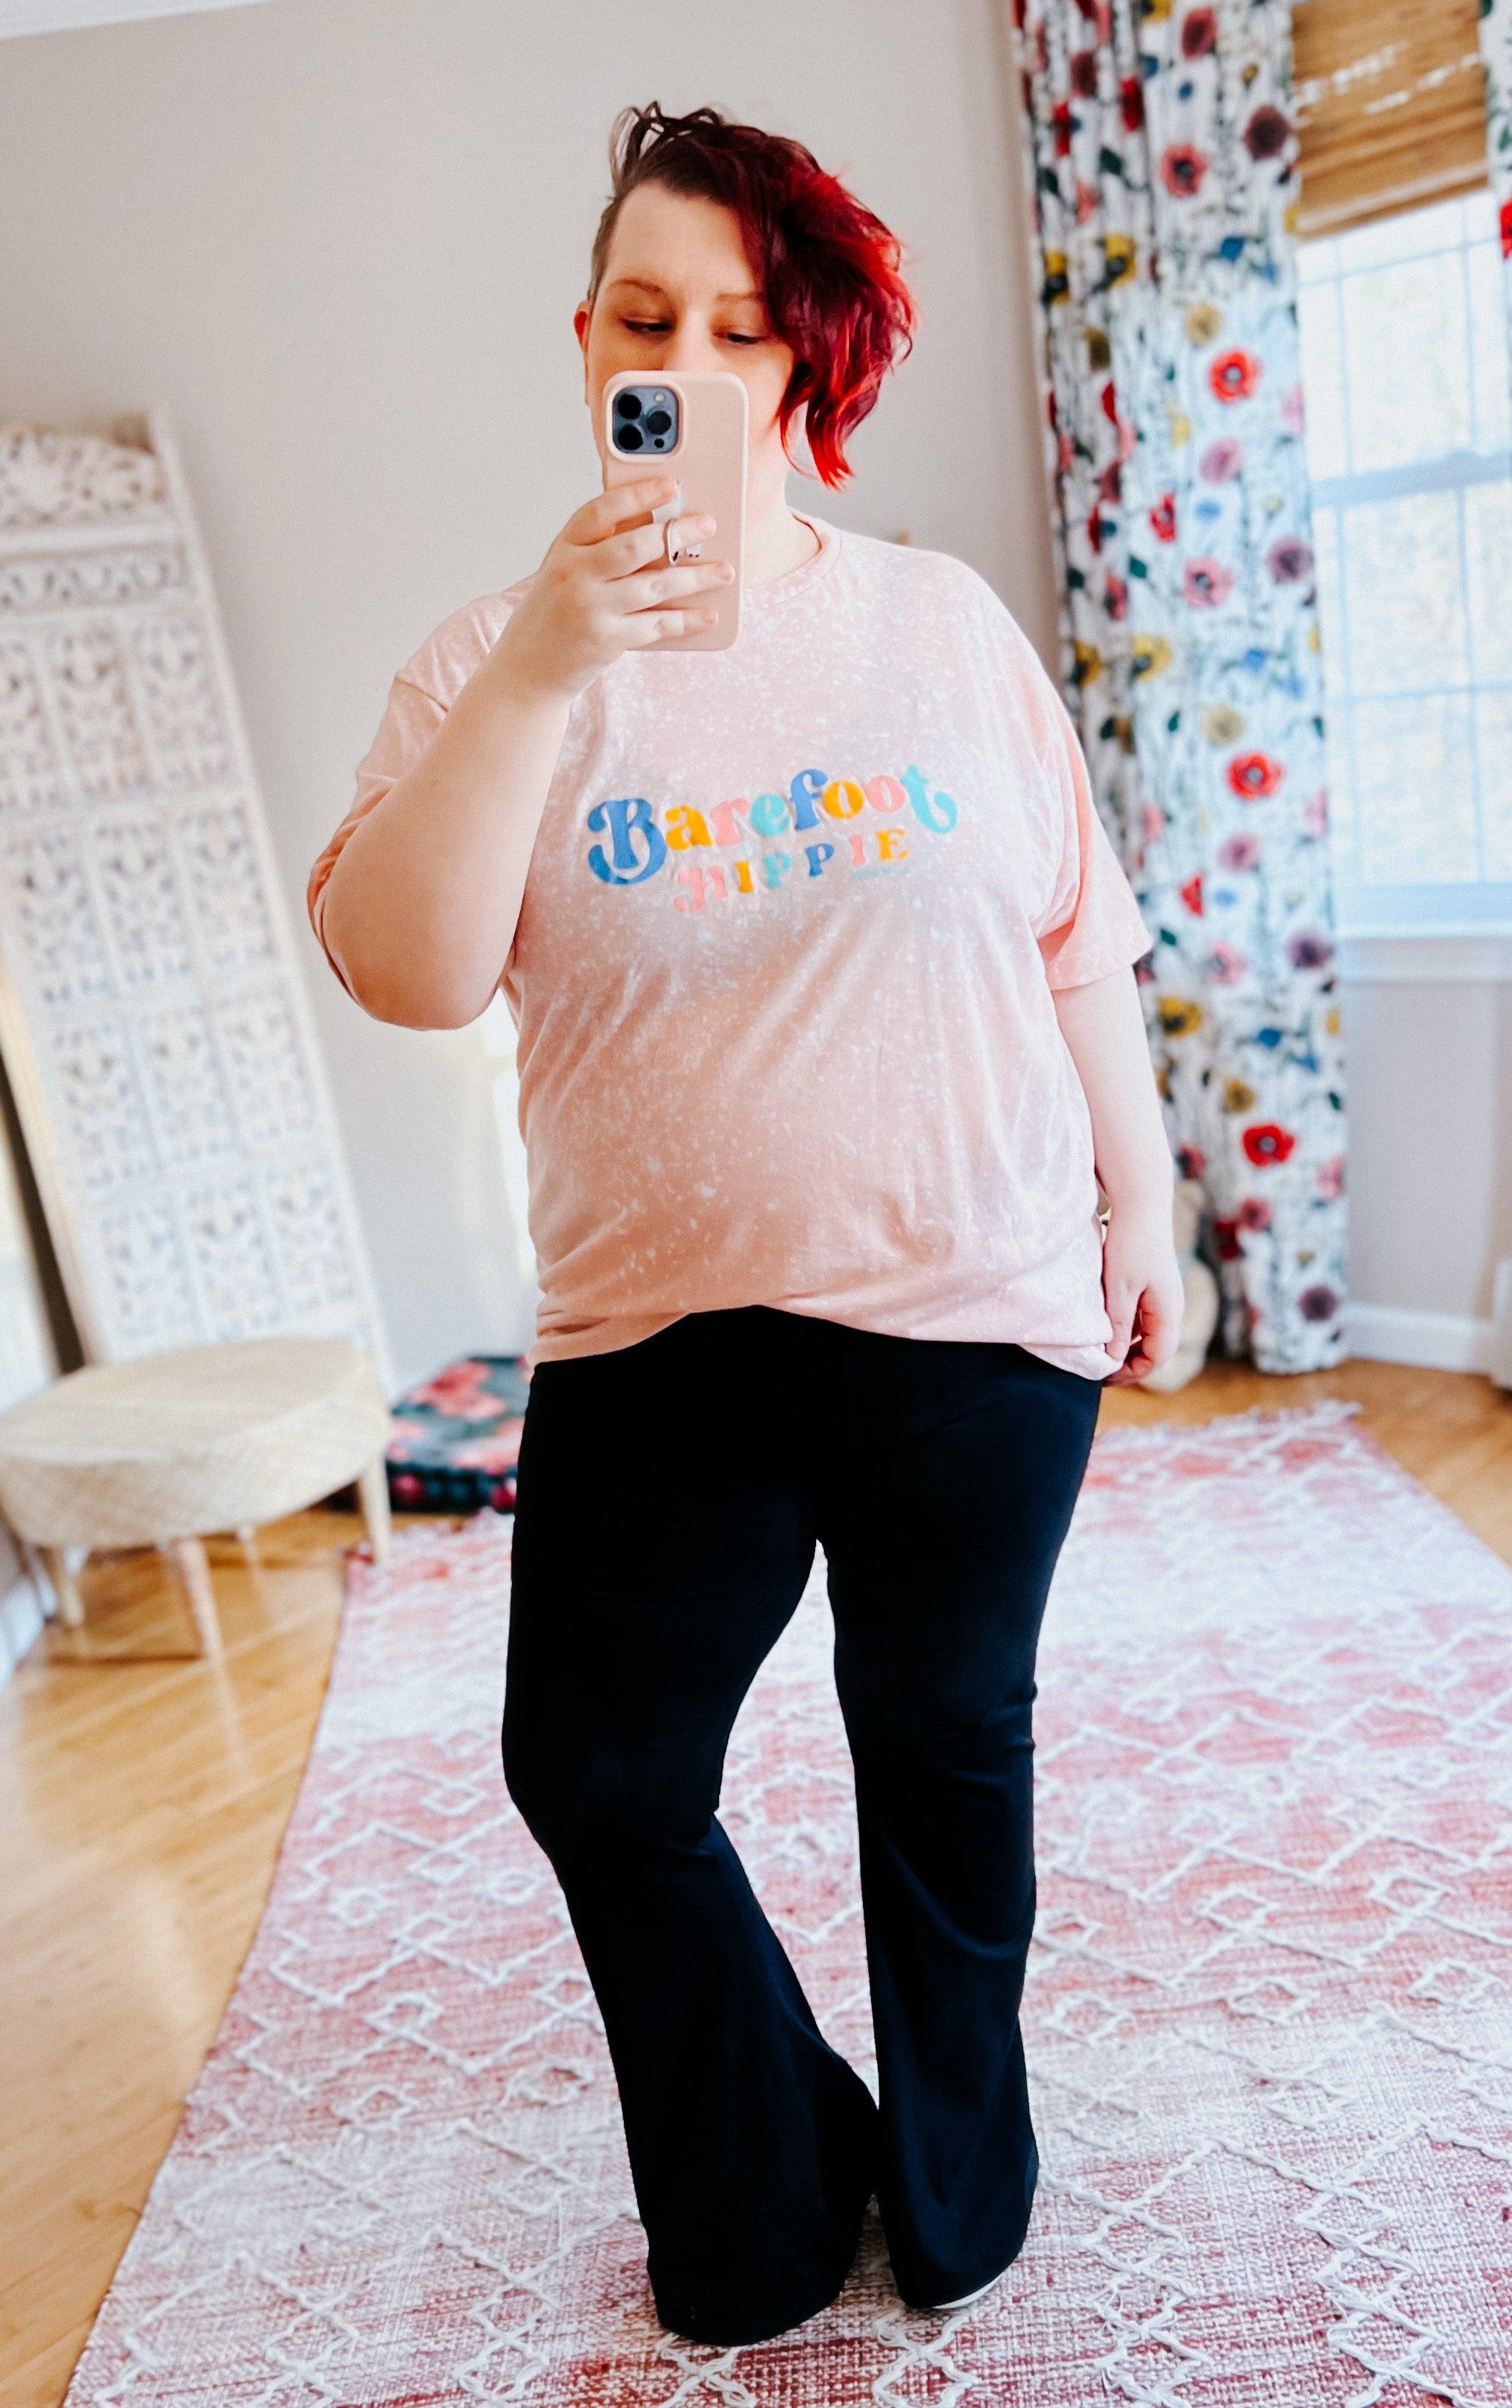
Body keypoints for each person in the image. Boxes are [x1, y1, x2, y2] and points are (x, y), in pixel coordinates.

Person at [307, 101, 1182, 2350]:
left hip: (970, 1315)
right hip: (649, 1341)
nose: (688, 364)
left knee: (940, 1749)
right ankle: (769, 2188)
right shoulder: (488, 660)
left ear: (801, 363)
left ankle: (961, 2186)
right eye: (641, 321)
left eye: (735, 324)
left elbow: (1075, 941)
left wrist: (1146, 1203)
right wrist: (540, 670)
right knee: (597, 1773)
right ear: (585, 343)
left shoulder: (936, 626)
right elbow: (401, 968)